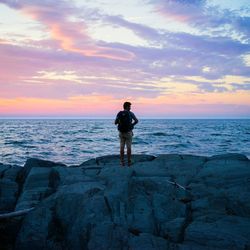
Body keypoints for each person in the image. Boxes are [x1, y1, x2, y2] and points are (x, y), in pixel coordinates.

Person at [115, 102, 138, 166]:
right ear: (127, 107)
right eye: (130, 106)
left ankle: (122, 162)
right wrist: (131, 125)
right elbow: (136, 121)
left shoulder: (119, 113)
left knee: (121, 147)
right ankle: (129, 161)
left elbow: (115, 122)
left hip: (121, 132)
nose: (130, 108)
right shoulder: (131, 113)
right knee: (129, 147)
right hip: (128, 132)